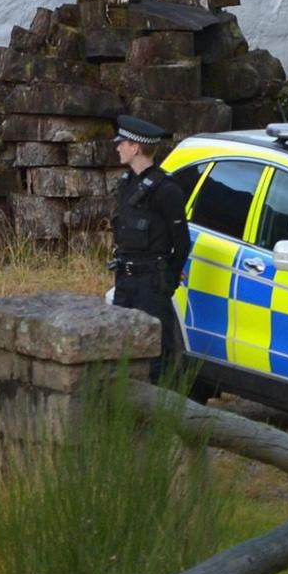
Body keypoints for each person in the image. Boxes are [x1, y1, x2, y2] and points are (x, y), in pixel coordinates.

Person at [109, 113, 192, 383]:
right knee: (120, 346)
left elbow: (181, 242)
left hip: (152, 282)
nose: (117, 147)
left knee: (158, 353)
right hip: (125, 278)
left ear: (135, 147)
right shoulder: (125, 184)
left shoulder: (166, 190)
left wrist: (169, 278)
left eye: (122, 143)